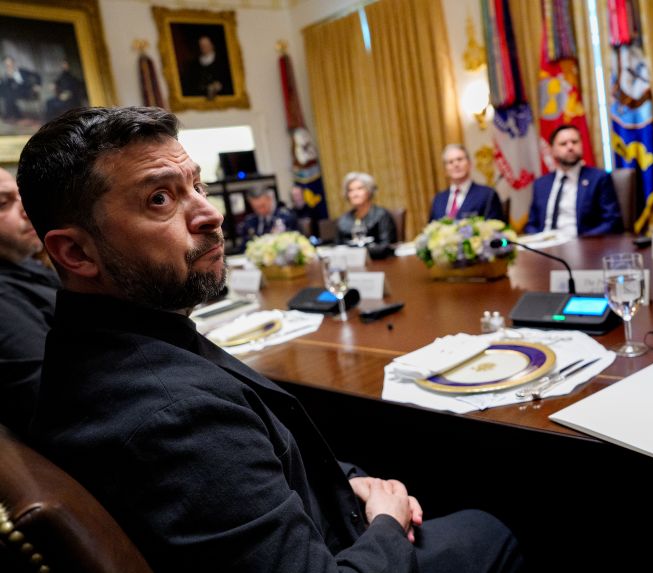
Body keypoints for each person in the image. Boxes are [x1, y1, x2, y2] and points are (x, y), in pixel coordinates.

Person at [18, 106, 522, 573]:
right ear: (77, 253)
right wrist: (387, 521)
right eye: (160, 199)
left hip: (321, 515)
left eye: (198, 185)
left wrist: (343, 484)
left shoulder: (92, 345)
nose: (210, 214)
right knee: (493, 527)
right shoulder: (171, 418)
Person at [0, 167, 60, 436]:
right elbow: (53, 402)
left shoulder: (23, 263)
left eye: (21, 196)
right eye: (4, 203)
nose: (27, 210)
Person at [524, 125, 623, 236]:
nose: (570, 147)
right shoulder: (541, 184)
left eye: (575, 142)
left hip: (582, 244)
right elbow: (531, 225)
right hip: (545, 245)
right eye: (563, 144)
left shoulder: (599, 178)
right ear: (552, 150)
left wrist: (581, 240)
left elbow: (612, 222)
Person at [428, 144, 504, 222]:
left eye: (460, 159)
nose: (456, 164)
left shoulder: (488, 195)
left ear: (470, 164)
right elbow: (430, 230)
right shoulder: (438, 200)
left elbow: (497, 229)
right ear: (445, 170)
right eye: (450, 162)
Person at [335, 172, 397, 258]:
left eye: (359, 189)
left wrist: (358, 252)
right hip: (351, 265)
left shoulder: (382, 215)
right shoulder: (343, 220)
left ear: (369, 191)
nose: (355, 194)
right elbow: (338, 247)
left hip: (380, 263)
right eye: (350, 190)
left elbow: (387, 246)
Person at [0, 56, 42, 121]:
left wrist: (38, 85)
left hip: (26, 91)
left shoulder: (22, 71)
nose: (9, 66)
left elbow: (37, 75)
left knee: (8, 95)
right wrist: (5, 79)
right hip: (14, 93)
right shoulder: (6, 75)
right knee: (7, 93)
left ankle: (11, 115)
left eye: (10, 64)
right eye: (7, 65)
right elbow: (5, 86)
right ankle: (14, 115)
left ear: (13, 63)